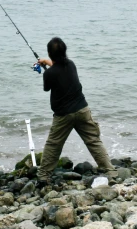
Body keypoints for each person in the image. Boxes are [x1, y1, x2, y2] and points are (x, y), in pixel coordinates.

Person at [36, 37, 115, 184]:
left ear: (50, 53)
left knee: (54, 144)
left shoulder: (49, 74)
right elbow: (58, 66)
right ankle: (110, 171)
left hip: (63, 115)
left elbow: (47, 87)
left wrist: (46, 67)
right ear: (65, 51)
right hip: (82, 109)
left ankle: (43, 176)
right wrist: (46, 62)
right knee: (93, 141)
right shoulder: (71, 65)